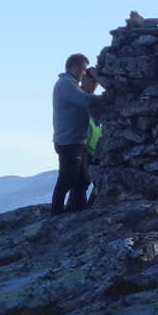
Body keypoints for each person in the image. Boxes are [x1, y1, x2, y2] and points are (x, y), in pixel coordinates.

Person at [51, 53, 102, 214]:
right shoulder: (65, 84)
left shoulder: (69, 84)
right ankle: (57, 212)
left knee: (81, 179)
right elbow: (84, 100)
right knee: (67, 178)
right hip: (69, 142)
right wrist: (106, 97)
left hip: (74, 140)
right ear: (74, 67)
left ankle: (75, 211)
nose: (83, 74)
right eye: (83, 69)